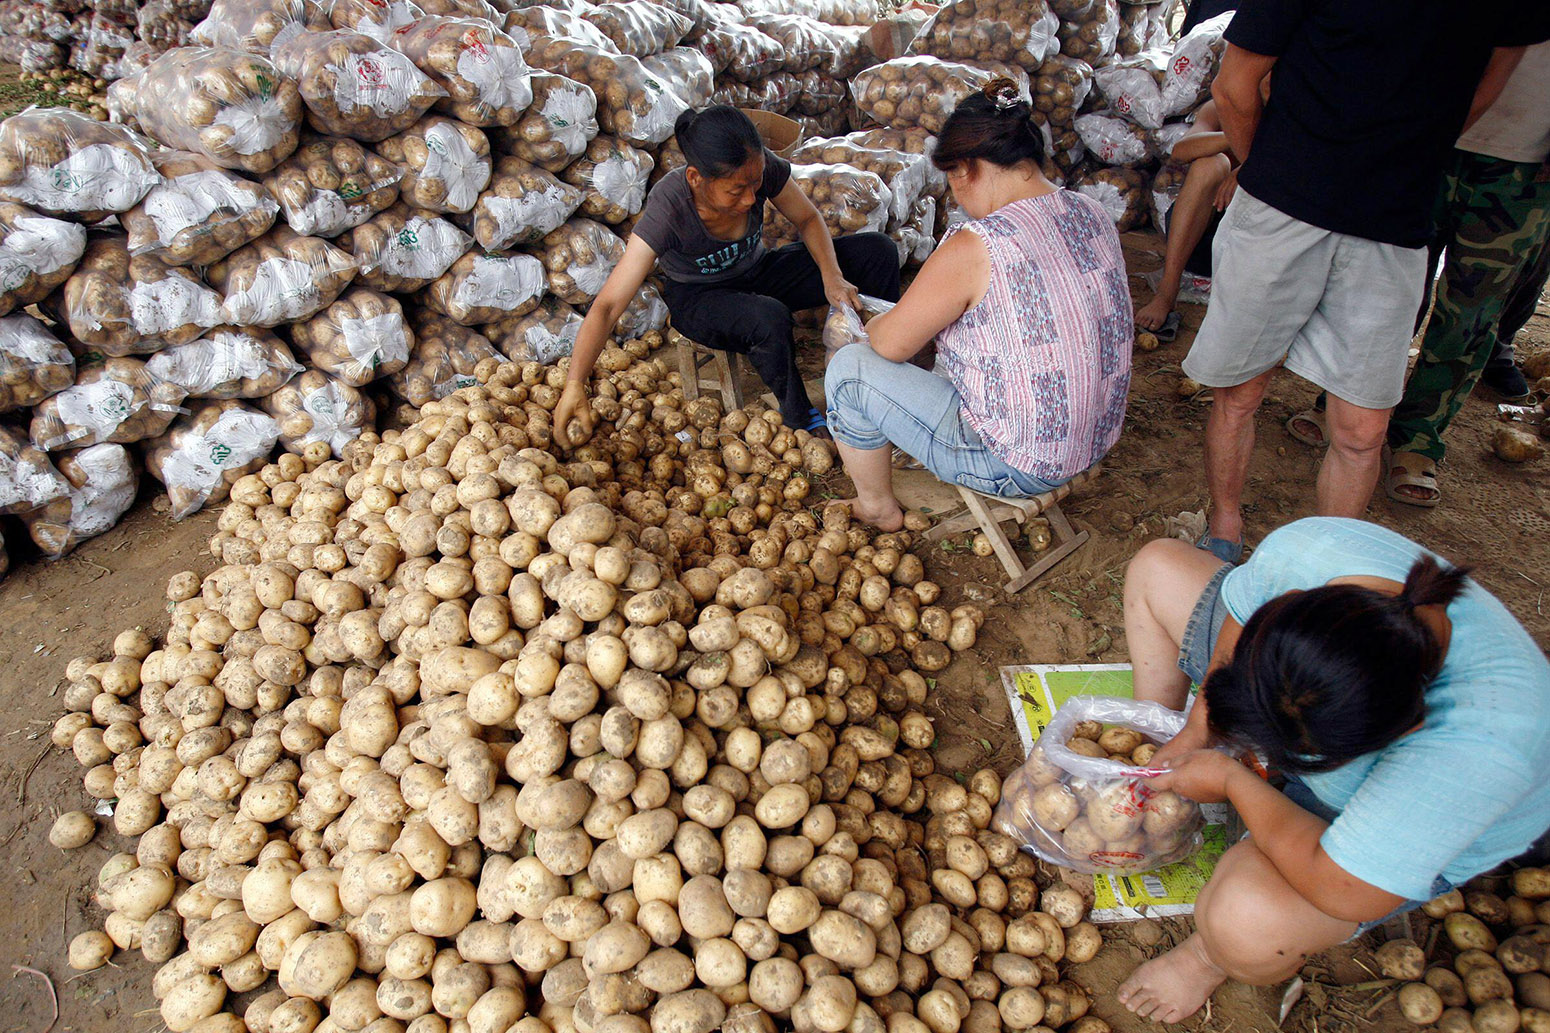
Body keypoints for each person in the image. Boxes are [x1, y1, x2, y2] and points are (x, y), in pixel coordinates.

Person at [1118, 517, 1550, 1023]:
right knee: (1158, 567)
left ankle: (1206, 958)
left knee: (1244, 924)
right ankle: (1161, 735)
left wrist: (1233, 781)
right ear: (1289, 607)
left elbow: (1342, 888)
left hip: (1418, 818)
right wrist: (1197, 729)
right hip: (1331, 695)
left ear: (1401, 735)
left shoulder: (1475, 751)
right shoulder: (1310, 553)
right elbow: (1239, 620)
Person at [1179, 1, 1550, 564]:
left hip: (1394, 225)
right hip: (1282, 211)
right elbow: (1234, 85)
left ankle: (1326, 564)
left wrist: (1408, 150)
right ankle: (1225, 526)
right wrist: (1271, 172)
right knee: (1241, 392)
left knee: (1361, 430)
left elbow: (1499, 62)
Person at [822, 78, 1132, 532]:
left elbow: (889, 345)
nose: (956, 195)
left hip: (1021, 464)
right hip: (1096, 438)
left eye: (952, 179)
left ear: (966, 168)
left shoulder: (979, 243)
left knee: (849, 369)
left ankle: (876, 508)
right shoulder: (1091, 212)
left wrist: (879, 319)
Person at [553, 106, 901, 445]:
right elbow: (609, 305)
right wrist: (574, 384)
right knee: (768, 317)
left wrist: (832, 276)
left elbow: (808, 219)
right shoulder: (669, 207)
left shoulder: (754, 169)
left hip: (757, 272)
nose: (752, 198)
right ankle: (799, 414)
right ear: (696, 179)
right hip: (698, 298)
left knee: (877, 251)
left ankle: (886, 364)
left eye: (756, 184)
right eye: (736, 190)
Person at [1380, 43, 1550, 505]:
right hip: (1423, 133)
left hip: (1524, 161)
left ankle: (1417, 435)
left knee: (1472, 312)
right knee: (1383, 283)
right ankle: (1348, 405)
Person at [1134, 99, 1236, 336]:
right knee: (1212, 164)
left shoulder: (1301, 114)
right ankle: (1167, 292)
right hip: (1203, 242)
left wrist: (1251, 171)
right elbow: (1181, 151)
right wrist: (1245, 136)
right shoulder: (1223, 106)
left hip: (1252, 246)